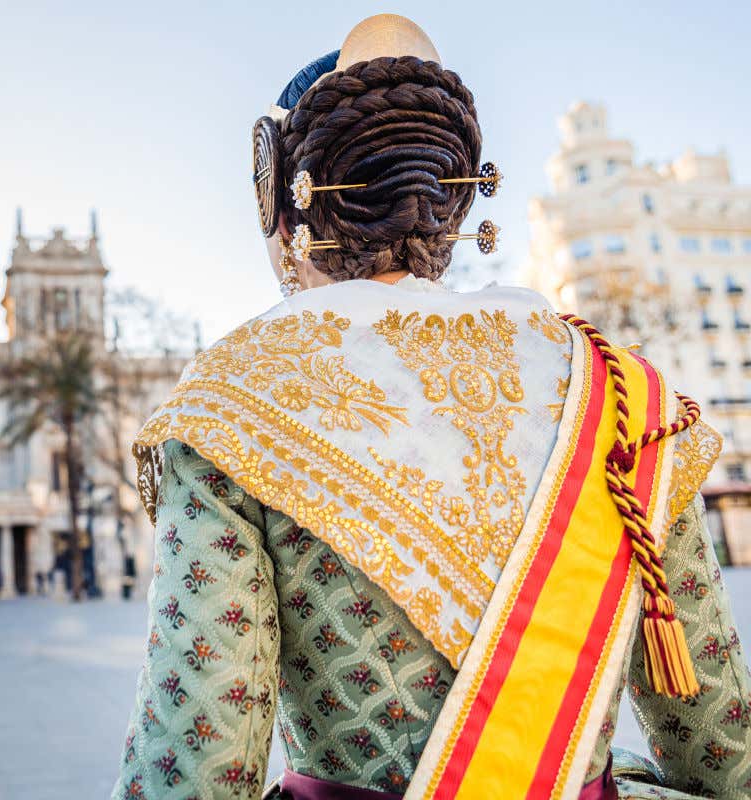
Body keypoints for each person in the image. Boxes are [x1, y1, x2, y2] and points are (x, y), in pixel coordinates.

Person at [112, 15, 750, 800]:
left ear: (282, 206)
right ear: (450, 203)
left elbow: (199, 757)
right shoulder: (618, 390)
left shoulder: (228, 403)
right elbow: (718, 746)